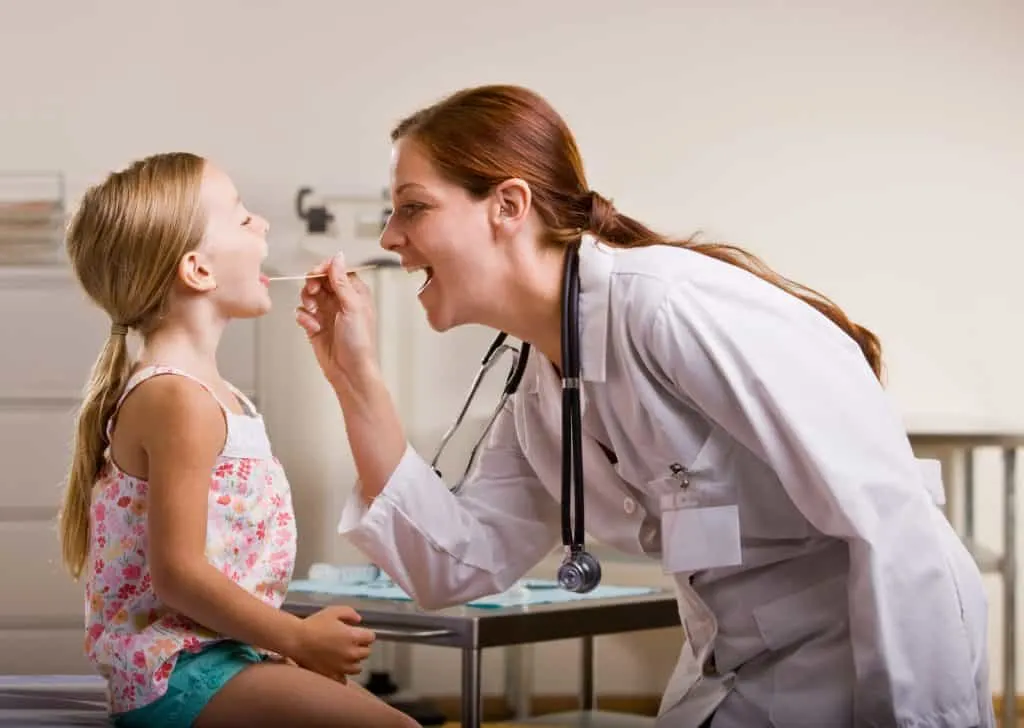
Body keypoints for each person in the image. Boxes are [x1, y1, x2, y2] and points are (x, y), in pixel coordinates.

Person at [295, 85, 994, 728]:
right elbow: (454, 566)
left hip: (858, 681)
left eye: (412, 207)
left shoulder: (669, 307)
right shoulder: (543, 385)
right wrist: (354, 378)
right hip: (729, 682)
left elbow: (892, 525)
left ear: (509, 206)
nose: (388, 238)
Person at [57, 152, 420, 728]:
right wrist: (299, 639)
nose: (264, 225)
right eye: (242, 217)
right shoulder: (175, 398)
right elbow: (178, 573)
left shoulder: (215, 394)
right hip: (178, 674)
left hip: (222, 658)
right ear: (198, 270)